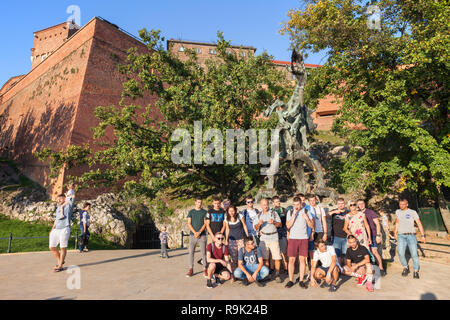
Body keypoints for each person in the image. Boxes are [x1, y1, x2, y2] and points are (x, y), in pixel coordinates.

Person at [285, 196, 314, 289]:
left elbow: (312, 225)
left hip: (303, 238)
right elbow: (288, 226)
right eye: (294, 205)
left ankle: (301, 280)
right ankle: (290, 280)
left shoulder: (306, 211)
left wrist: (307, 219)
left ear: (301, 203)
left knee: (302, 260)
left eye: (298, 204)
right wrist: (294, 216)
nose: (296, 206)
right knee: (291, 260)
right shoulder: (290, 212)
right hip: (293, 238)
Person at [394, 199, 426, 279]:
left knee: (414, 254)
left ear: (407, 204)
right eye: (400, 204)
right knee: (400, 253)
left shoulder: (412, 212)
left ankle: (416, 271)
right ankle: (405, 267)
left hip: (411, 236)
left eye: (403, 204)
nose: (401, 206)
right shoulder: (398, 212)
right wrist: (395, 232)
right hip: (401, 235)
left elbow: (419, 223)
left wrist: (423, 236)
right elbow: (397, 222)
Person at [253, 198, 283, 283]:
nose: (265, 206)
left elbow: (280, 224)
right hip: (264, 238)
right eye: (263, 205)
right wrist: (259, 224)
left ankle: (277, 274)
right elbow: (255, 228)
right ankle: (267, 274)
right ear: (261, 206)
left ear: (268, 204)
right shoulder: (258, 215)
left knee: (276, 257)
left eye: (266, 204)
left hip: (273, 236)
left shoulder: (274, 213)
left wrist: (273, 222)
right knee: (265, 258)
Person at [357, 199, 386, 276]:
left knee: (374, 252)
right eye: (359, 204)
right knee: (365, 253)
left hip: (372, 235)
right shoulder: (357, 213)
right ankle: (369, 269)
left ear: (364, 204)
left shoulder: (370, 212)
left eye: (362, 203)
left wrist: (378, 235)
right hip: (362, 236)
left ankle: (381, 268)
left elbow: (377, 224)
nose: (361, 205)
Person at [49, 194, 75, 272]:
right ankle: (61, 260)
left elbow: (72, 197)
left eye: (60, 198)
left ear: (65, 198)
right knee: (52, 247)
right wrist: (52, 229)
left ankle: (60, 265)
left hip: (64, 228)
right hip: (56, 229)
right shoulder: (58, 208)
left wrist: (69, 193)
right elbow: (56, 219)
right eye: (58, 199)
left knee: (62, 247)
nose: (58, 200)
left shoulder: (68, 206)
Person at [307, 194, 328, 277]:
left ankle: (321, 268)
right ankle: (311, 270)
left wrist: (325, 233)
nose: (312, 202)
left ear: (316, 200)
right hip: (311, 232)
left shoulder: (320, 209)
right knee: (311, 251)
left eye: (313, 200)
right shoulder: (307, 209)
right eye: (310, 200)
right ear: (308, 201)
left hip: (319, 232)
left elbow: (324, 221)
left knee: (320, 250)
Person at [186, 198, 208, 278]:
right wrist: (195, 232)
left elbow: (205, 224)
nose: (199, 204)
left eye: (201, 202)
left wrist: (199, 232)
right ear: (195, 202)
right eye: (198, 202)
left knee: (204, 253)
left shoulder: (204, 212)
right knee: (191, 252)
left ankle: (205, 268)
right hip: (192, 235)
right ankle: (191, 269)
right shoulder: (191, 212)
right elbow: (189, 223)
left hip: (202, 235)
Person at [224, 205, 249, 270]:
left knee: (242, 255)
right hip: (232, 240)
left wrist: (247, 236)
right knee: (233, 257)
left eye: (233, 211)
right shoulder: (226, 218)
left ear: (235, 211)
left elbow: (244, 226)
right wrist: (226, 240)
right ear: (228, 211)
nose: (231, 212)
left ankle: (243, 271)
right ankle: (234, 272)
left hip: (241, 238)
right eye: (230, 211)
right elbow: (227, 229)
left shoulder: (239, 216)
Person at [329, 198, 349, 265]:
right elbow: (326, 215)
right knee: (337, 255)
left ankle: (346, 270)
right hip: (336, 236)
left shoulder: (348, 212)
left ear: (344, 204)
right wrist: (333, 212)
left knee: (346, 254)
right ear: (337, 204)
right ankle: (338, 269)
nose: (340, 205)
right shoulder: (334, 211)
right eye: (339, 203)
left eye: (342, 203)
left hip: (346, 236)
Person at [272, 195, 288, 273]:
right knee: (274, 252)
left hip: (283, 233)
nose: (278, 203)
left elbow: (287, 223)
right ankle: (274, 269)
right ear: (273, 203)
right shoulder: (271, 211)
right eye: (276, 202)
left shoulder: (284, 210)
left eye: (278, 201)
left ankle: (286, 268)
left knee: (284, 251)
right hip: (274, 233)